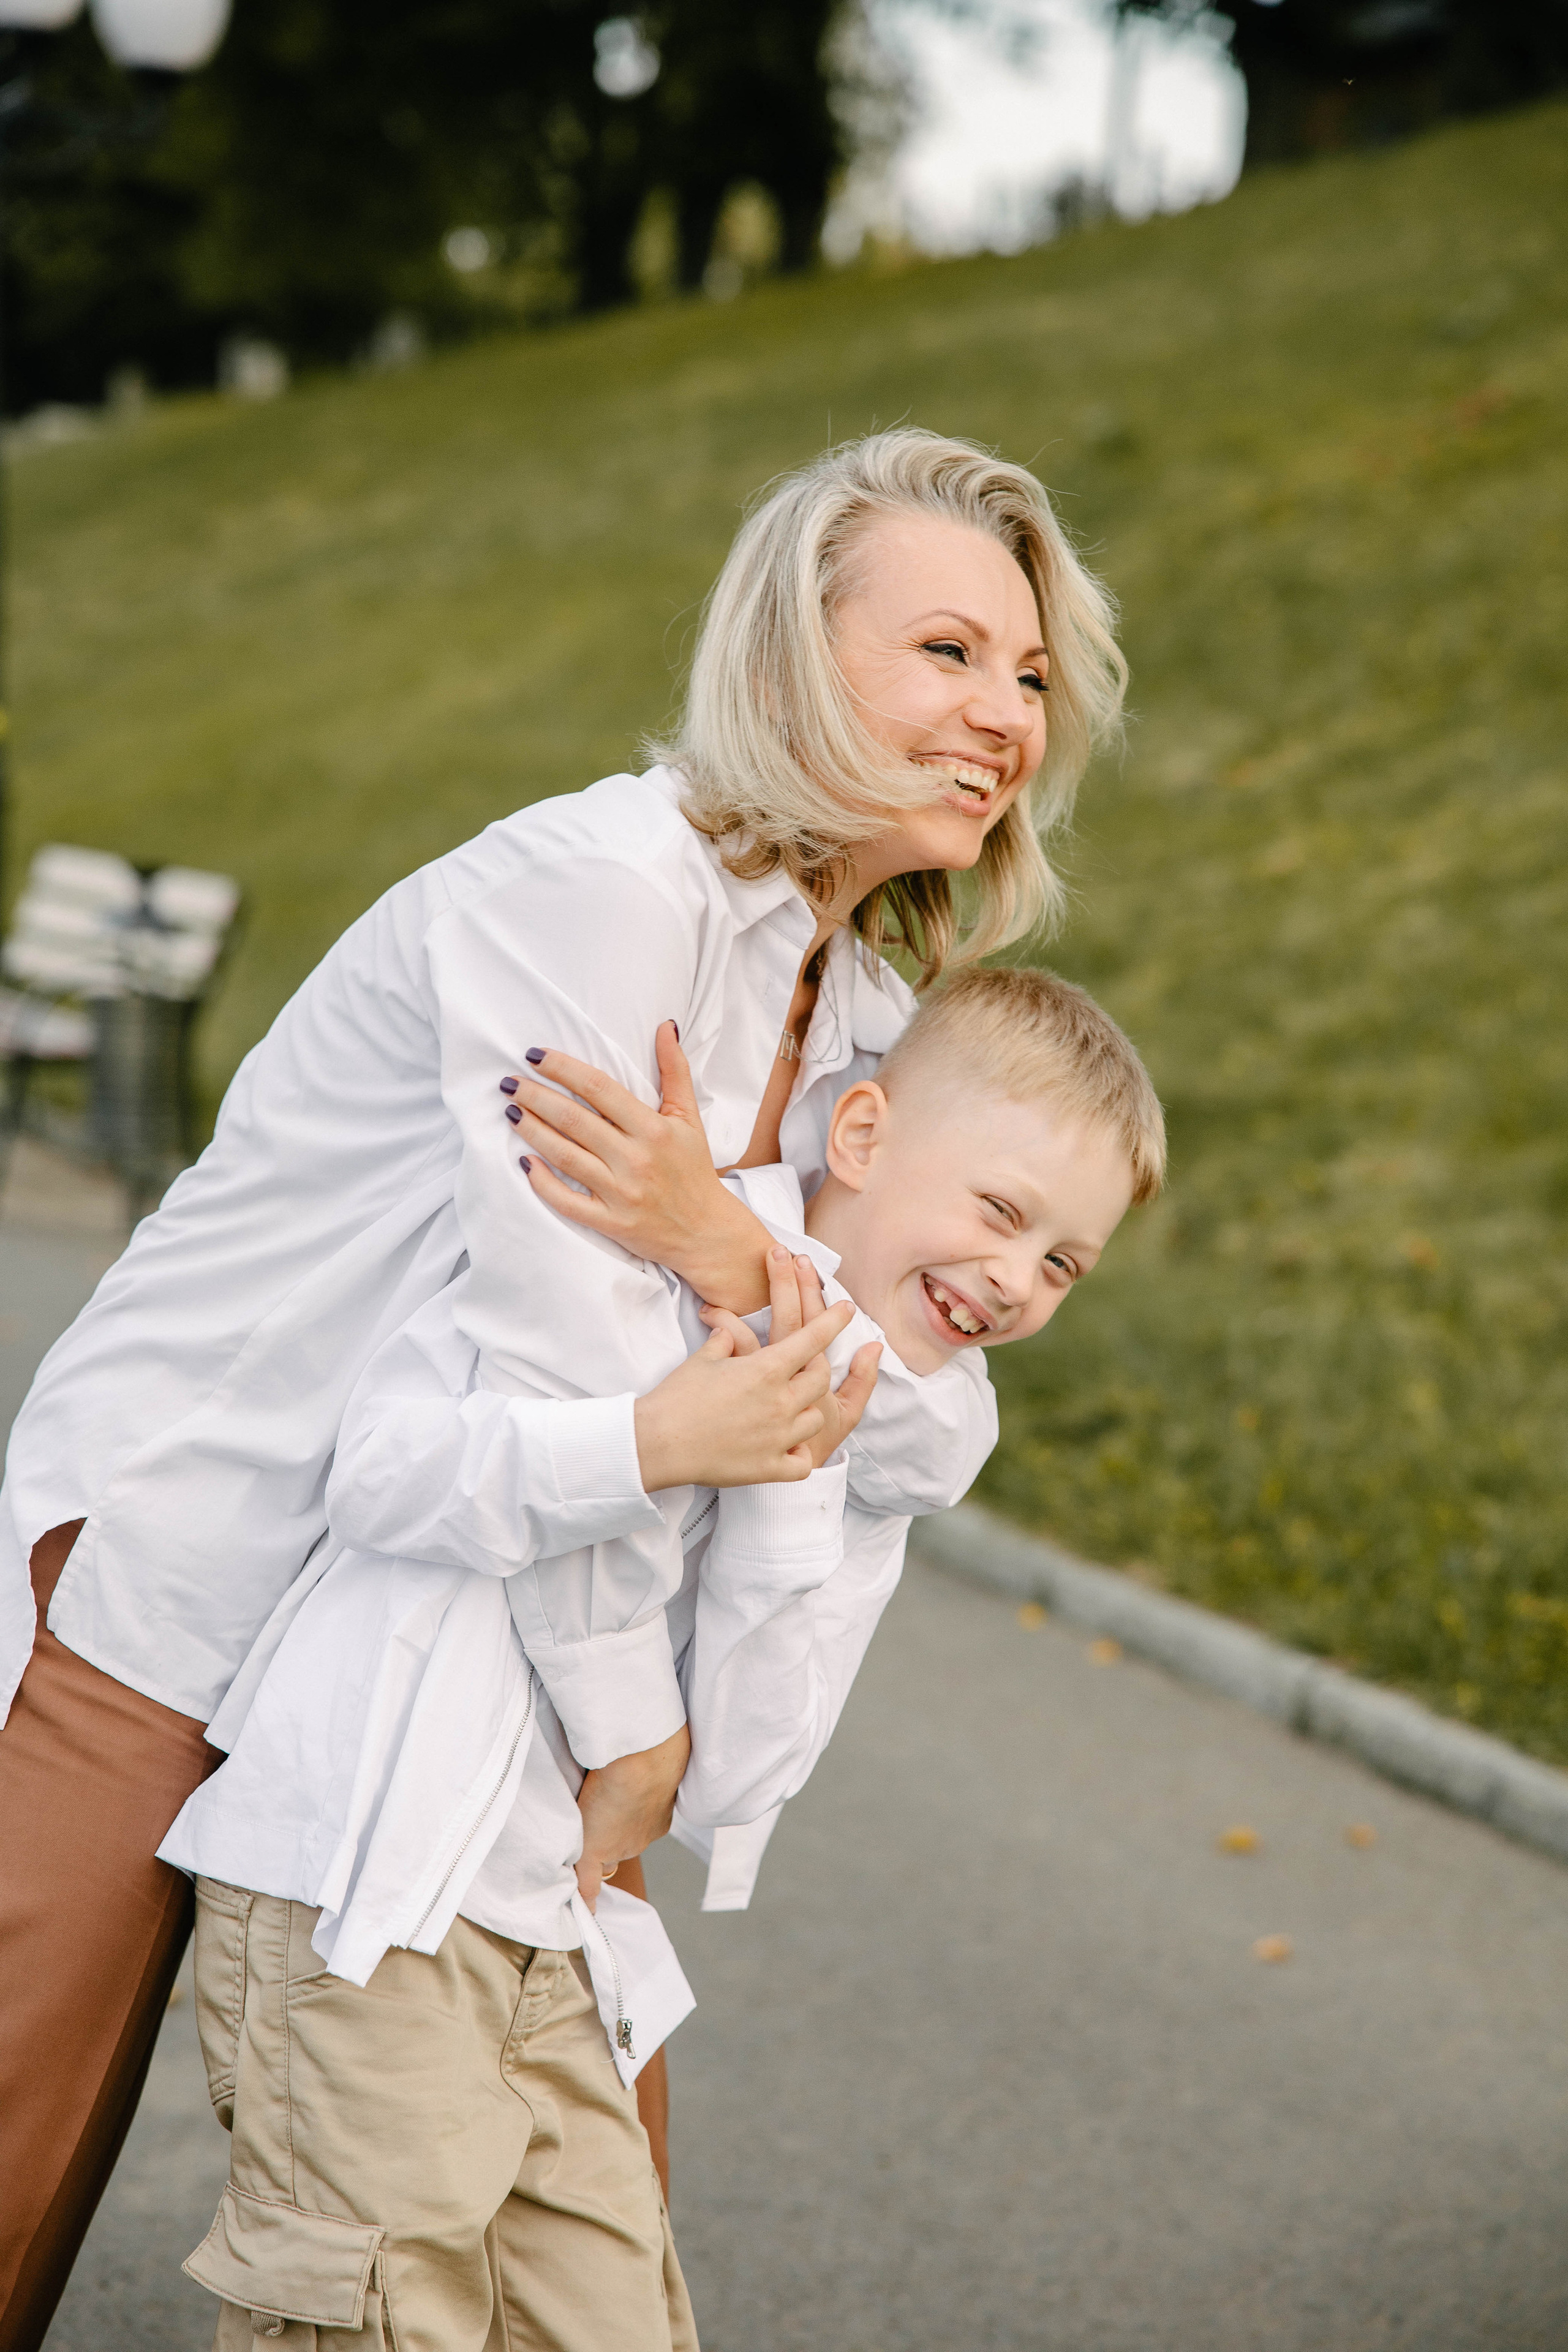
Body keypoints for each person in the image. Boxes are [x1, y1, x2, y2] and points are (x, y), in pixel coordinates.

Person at [0, 427, 1126, 2351]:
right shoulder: (600, 892)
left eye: (1028, 674)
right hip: (197, 1562)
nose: (1005, 715)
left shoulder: (865, 1020)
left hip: (458, 1654)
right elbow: (571, 1352)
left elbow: (914, 1414)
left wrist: (727, 1256)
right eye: (946, 651)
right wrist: (641, 1732)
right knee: (23, 2146)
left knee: (586, 2239)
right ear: (792, 657)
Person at [157, 964, 1163, 2351]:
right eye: (1002, 1212)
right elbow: (383, 1471)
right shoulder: (630, 1249)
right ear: (861, 1136)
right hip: (377, 1870)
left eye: (1062, 1264)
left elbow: (744, 1763)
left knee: (610, 2323)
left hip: (554, 1914)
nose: (1015, 1279)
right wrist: (653, 1444)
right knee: (377, 2318)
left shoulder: (888, 1423)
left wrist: (787, 1454)